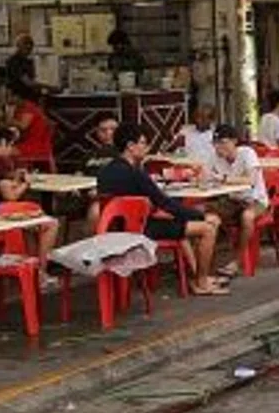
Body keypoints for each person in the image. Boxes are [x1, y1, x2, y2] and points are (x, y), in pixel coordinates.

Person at [96, 122, 225, 296]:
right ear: (130, 146)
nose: (146, 148)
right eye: (143, 143)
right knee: (207, 229)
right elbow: (165, 203)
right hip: (142, 230)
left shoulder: (105, 172)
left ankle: (196, 274)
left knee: (183, 221)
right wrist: (200, 216)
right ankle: (201, 281)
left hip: (115, 230)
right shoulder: (136, 174)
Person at [0, 128, 61, 275]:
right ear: (3, 143)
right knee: (50, 224)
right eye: (10, 146)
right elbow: (11, 196)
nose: (11, 151)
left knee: (31, 224)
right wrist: (25, 184)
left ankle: (32, 269)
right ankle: (41, 271)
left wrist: (13, 179)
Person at [207, 125, 268, 276]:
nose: (219, 147)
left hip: (255, 199)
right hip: (231, 200)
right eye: (215, 143)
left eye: (223, 142)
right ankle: (210, 262)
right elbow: (208, 177)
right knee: (207, 217)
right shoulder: (215, 157)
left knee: (247, 217)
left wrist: (224, 179)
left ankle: (237, 260)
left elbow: (251, 179)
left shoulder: (247, 153)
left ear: (234, 141)